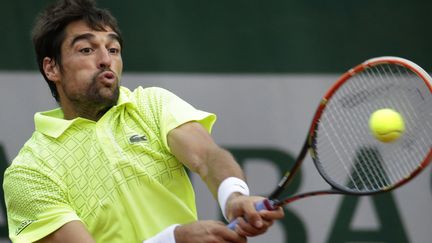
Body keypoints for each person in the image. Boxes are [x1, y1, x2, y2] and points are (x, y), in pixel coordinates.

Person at [3, 0, 284, 242]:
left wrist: (233, 196)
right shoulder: (29, 172)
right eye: (86, 50)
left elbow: (207, 157)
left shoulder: (152, 105)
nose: (105, 60)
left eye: (113, 49)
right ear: (51, 67)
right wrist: (173, 239)